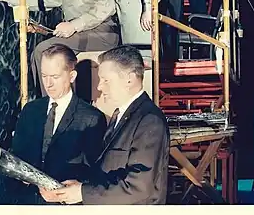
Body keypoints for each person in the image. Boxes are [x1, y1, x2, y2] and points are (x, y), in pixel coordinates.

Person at [39, 45, 170, 205]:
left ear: (129, 79)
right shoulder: (122, 116)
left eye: (106, 80)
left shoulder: (149, 121)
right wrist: (81, 187)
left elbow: (138, 186)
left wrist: (82, 193)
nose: (99, 87)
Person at [10, 44, 107, 204]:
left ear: (72, 76)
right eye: (44, 76)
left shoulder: (92, 118)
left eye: (55, 77)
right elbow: (17, 155)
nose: (48, 84)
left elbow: (96, 171)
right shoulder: (30, 110)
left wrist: (69, 191)